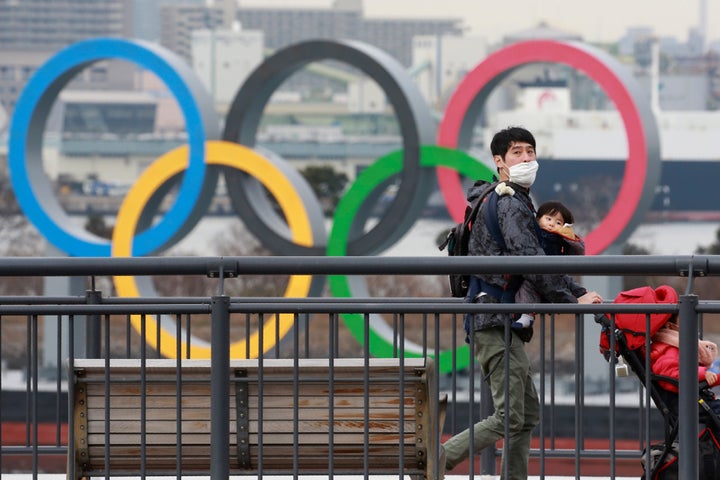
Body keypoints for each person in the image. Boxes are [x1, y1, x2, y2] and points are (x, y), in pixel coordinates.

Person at [441, 126, 602, 480]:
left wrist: (574, 293)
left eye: (530, 151)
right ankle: (437, 460)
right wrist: (574, 297)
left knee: (525, 413)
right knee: (511, 415)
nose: (527, 158)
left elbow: (533, 263)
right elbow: (532, 262)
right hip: (493, 319)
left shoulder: (496, 198)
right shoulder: (510, 203)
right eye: (517, 152)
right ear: (499, 161)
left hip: (497, 317)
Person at [512, 200, 585, 329]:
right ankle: (527, 315)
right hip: (537, 273)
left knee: (569, 283)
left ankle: (583, 294)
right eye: (548, 219)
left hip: (557, 271)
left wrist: (569, 236)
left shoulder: (560, 237)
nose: (552, 224)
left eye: (558, 222)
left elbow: (577, 252)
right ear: (538, 219)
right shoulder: (533, 234)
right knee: (526, 288)